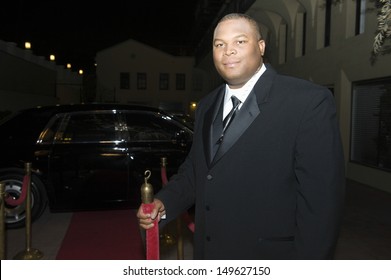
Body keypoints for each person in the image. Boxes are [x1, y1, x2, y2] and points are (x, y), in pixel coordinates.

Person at [137, 13, 345, 260]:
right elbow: (197, 171)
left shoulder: (307, 101)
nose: (228, 51)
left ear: (261, 46)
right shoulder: (206, 105)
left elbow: (321, 205)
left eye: (240, 41)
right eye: (219, 44)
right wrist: (164, 203)